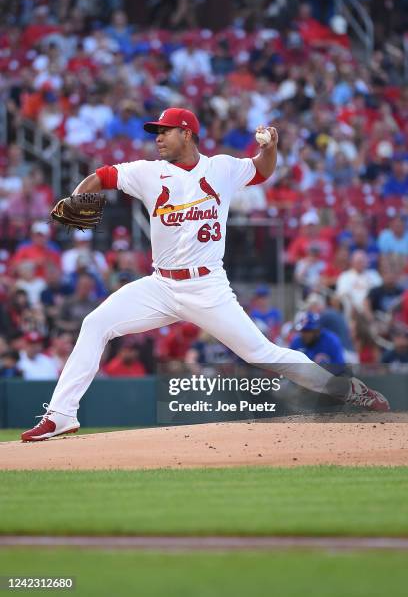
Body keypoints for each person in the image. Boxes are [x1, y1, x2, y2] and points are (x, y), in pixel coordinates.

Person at [22, 107, 389, 441]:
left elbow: (262, 168)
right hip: (161, 284)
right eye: (156, 132)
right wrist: (75, 197)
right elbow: (101, 175)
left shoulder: (222, 169)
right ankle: (61, 415)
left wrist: (271, 145)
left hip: (206, 286)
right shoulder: (149, 173)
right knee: (95, 323)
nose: (158, 137)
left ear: (187, 134)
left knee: (263, 353)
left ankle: (346, 390)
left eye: (165, 131)